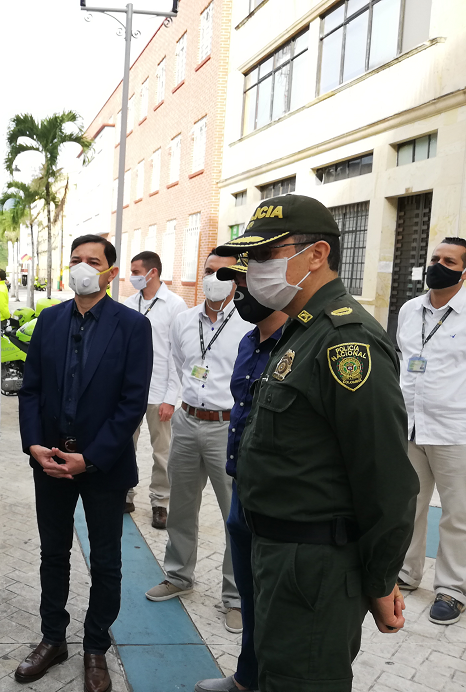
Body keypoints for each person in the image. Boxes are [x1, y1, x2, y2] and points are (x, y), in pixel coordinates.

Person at [214, 194, 418, 692]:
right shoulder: (298, 333)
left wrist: (380, 581)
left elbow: (386, 480)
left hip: (315, 565)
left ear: (317, 254)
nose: (253, 269)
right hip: (276, 552)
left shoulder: (346, 342)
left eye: (265, 255)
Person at [17, 234, 151, 692]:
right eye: (76, 260)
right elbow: (30, 389)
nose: (82, 267)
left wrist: (89, 459)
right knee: (52, 555)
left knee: (107, 561)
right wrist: (34, 444)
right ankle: (53, 639)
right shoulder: (50, 320)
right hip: (51, 460)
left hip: (103, 465)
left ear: (111, 272)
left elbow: (132, 404)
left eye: (92, 261)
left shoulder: (132, 327)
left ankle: (96, 648)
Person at [193, 259, 288, 692]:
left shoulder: (301, 344)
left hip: (282, 499)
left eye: (246, 279)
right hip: (245, 487)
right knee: (253, 600)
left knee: (276, 604)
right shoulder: (250, 342)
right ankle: (246, 678)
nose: (238, 289)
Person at [145, 252, 249, 635]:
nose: (212, 278)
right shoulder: (184, 320)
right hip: (188, 422)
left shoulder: (249, 324)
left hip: (228, 427)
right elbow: (176, 365)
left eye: (222, 272)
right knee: (181, 507)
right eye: (207, 270)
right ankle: (178, 576)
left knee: (234, 516)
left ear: (238, 278)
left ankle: (236, 597)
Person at [396, 236, 466, 625]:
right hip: (410, 425)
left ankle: (452, 589)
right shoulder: (410, 310)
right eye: (435, 257)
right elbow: (404, 362)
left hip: (456, 430)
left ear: (464, 271)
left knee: (458, 515)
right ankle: (407, 573)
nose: (438, 265)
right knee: (409, 505)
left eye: (449, 260)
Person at [122, 251, 187, 526]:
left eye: (136, 271)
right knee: (124, 447)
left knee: (162, 452)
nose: (132, 276)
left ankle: (160, 502)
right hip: (129, 391)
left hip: (160, 391)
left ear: (153, 273)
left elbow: (178, 355)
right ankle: (125, 494)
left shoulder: (175, 306)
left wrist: (171, 398)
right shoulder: (128, 303)